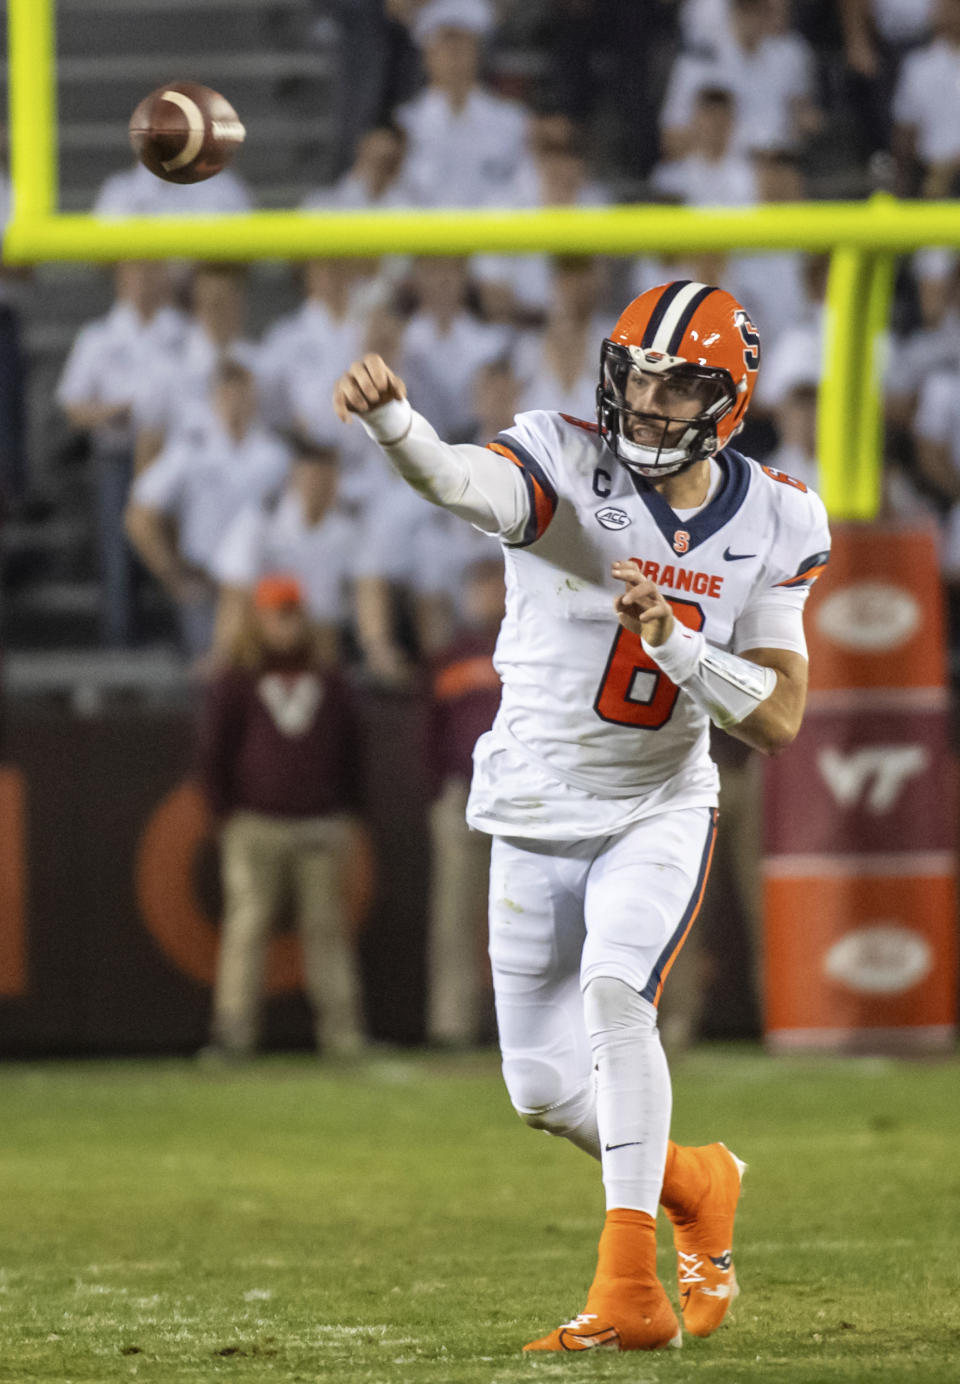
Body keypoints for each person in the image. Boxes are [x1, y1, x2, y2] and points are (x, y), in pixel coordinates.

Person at [333, 276, 830, 1352]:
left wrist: (684, 649)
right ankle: (695, 1180)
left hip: (656, 804)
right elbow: (464, 484)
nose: (649, 408)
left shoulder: (780, 513)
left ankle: (629, 1290)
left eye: (677, 387)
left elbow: (782, 717)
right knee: (545, 1092)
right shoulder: (560, 457)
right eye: (637, 382)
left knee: (617, 998)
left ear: (729, 399)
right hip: (529, 804)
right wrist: (396, 426)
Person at [198, 575, 366, 1059]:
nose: (286, 623)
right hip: (256, 822)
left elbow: (352, 750)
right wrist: (224, 814)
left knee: (328, 930)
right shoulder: (237, 679)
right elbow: (215, 752)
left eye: (293, 612)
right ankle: (233, 1034)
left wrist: (351, 811)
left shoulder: (329, 679)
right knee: (246, 930)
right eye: (277, 613)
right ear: (258, 619)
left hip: (319, 823)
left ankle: (343, 1034)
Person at [125, 359, 289, 659]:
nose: (237, 402)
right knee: (209, 677)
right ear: (215, 396)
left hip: (261, 583)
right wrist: (172, 575)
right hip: (204, 581)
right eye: (228, 393)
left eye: (243, 393)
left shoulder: (275, 456)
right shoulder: (191, 449)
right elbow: (140, 514)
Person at [424, 556, 505, 1045]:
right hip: (464, 792)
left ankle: (532, 1023)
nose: (483, 595)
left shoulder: (530, 644)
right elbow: (429, 734)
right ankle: (452, 1023)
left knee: (531, 914)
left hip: (525, 795)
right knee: (455, 915)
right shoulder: (449, 657)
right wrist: (439, 791)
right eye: (476, 586)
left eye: (491, 584)